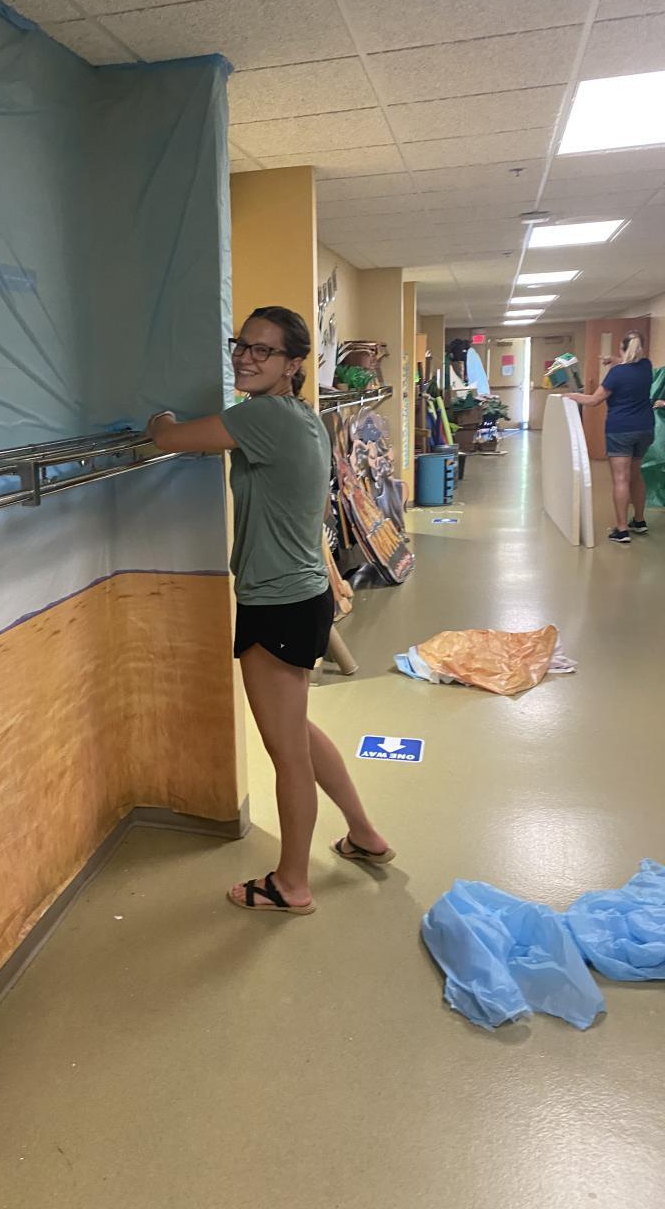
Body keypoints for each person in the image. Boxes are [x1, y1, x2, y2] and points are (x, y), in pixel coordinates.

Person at [147, 306, 393, 916]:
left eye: (263, 350)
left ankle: (292, 883)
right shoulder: (303, 418)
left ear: (292, 364)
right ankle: (365, 834)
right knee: (297, 732)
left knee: (287, 753)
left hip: (277, 601)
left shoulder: (260, 417)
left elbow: (169, 438)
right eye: (241, 345)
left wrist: (158, 418)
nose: (245, 357)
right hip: (302, 596)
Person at [566, 331, 655, 544]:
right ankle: (639, 521)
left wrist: (573, 396)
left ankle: (622, 530)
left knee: (621, 478)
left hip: (620, 430)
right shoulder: (646, 366)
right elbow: (630, 363)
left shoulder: (616, 374)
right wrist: (614, 360)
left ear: (622, 348)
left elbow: (594, 400)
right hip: (645, 428)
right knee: (636, 475)